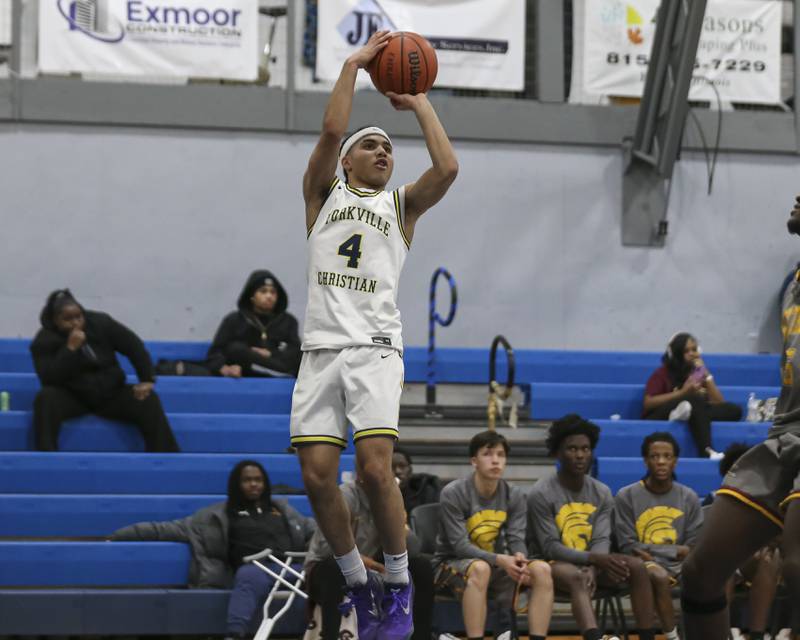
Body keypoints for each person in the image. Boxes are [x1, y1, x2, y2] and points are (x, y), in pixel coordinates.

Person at [289, 28, 458, 640]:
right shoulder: (321, 196)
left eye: (389, 148)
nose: (385, 153)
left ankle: (399, 580)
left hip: (375, 347)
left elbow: (448, 166)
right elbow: (331, 130)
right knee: (315, 475)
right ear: (348, 161)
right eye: (373, 146)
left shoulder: (401, 207)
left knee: (373, 468)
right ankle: (357, 584)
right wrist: (353, 65)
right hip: (320, 351)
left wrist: (416, 101)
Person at [681, 195, 800, 640]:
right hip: (785, 433)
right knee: (700, 573)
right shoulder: (793, 285)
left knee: (796, 564)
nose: (796, 197)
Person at [111, 460, 314, 639]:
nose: (254, 484)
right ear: (237, 483)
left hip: (291, 569)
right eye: (247, 480)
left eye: (259, 480)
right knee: (250, 574)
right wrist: (119, 535)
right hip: (254, 570)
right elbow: (165, 529)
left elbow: (317, 531)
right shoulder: (214, 517)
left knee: (327, 573)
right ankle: (235, 633)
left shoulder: (284, 511)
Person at [527, 414, 658, 640]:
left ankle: (648, 637)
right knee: (577, 576)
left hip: (593, 562)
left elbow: (601, 538)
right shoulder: (541, 492)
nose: (580, 455)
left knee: (637, 566)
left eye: (586, 449)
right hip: (551, 564)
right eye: (572, 449)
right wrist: (594, 561)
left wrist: (595, 565)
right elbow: (550, 547)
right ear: (557, 452)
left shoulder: (602, 491)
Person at [434, 430, 553, 640]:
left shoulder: (514, 494)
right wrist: (502, 560)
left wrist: (519, 559)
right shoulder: (453, 493)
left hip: (494, 565)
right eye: (488, 454)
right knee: (480, 568)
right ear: (474, 461)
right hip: (449, 564)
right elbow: (460, 547)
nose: (495, 460)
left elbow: (516, 537)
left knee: (541, 569)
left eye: (501, 454)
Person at [29, 289, 179, 452]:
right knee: (45, 399)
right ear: (55, 320)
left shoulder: (100, 323)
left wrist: (147, 379)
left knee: (148, 400)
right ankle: (47, 458)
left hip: (111, 394)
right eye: (67, 319)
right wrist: (69, 350)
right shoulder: (43, 340)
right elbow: (48, 378)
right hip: (74, 396)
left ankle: (165, 457)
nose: (75, 323)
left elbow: (133, 345)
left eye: (78, 317)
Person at [304, 475, 434, 640]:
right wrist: (375, 566)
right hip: (326, 568)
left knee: (421, 566)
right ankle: (329, 636)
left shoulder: (389, 498)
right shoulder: (345, 495)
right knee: (335, 567)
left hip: (371, 571)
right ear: (361, 478)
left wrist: (400, 524)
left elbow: (415, 549)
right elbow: (327, 549)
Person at [614, 431, 703, 640]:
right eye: (655, 456)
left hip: (680, 565)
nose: (661, 462)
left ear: (676, 461)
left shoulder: (688, 496)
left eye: (667, 456)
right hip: (641, 565)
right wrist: (674, 551)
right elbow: (627, 545)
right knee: (658, 575)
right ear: (645, 460)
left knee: (714, 572)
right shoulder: (626, 496)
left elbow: (693, 546)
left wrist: (653, 551)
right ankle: (673, 636)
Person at [703, 443, 785, 640]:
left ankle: (757, 634)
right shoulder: (715, 500)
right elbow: (708, 540)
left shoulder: (771, 502)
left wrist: (764, 543)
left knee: (767, 559)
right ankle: (722, 632)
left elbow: (783, 535)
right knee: (724, 565)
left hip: (758, 560)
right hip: (726, 560)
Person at [642, 332, 743, 459]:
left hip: (696, 409)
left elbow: (719, 403)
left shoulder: (697, 373)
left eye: (694, 350)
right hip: (659, 414)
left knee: (734, 410)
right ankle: (706, 451)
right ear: (676, 353)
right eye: (686, 351)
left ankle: (685, 413)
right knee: (694, 399)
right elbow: (648, 403)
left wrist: (706, 375)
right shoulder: (662, 372)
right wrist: (682, 393)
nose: (692, 354)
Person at [205, 270, 301, 378]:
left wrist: (270, 354)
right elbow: (215, 352)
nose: (269, 296)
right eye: (263, 291)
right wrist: (224, 369)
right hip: (245, 372)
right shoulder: (234, 320)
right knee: (236, 349)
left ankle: (280, 373)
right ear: (252, 296)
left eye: (273, 292)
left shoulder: (289, 321)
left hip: (278, 366)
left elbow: (295, 351)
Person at [392, 446, 442, 519]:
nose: (397, 471)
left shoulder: (425, 493)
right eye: (391, 467)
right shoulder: (376, 496)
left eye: (402, 466)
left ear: (410, 470)